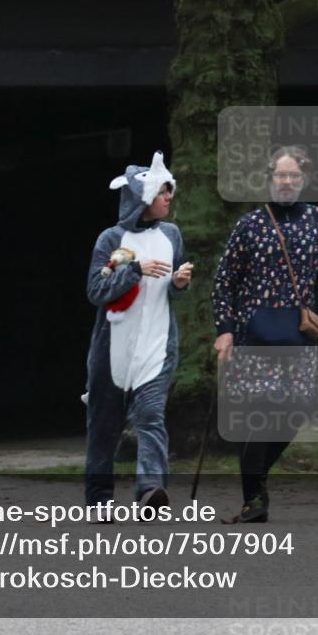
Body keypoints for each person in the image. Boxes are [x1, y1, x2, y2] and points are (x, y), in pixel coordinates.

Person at [212, 145, 318, 523]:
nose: (286, 182)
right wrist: (224, 330)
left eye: (293, 176)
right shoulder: (251, 224)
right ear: (270, 178)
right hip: (254, 335)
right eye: (280, 175)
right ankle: (253, 499)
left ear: (303, 179)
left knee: (296, 412)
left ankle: (257, 478)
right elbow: (225, 281)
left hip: (299, 335)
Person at [85, 151, 192, 516]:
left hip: (156, 347)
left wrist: (178, 283)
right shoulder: (110, 239)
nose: (168, 198)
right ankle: (99, 498)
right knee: (104, 425)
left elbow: (171, 288)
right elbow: (96, 291)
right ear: (144, 198)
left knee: (150, 417)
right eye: (163, 192)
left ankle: (151, 491)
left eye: (169, 192)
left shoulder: (172, 236)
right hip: (112, 349)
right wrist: (134, 269)